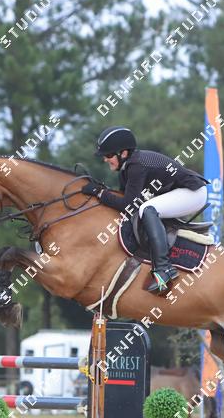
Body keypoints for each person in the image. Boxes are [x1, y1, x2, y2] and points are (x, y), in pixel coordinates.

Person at [82, 126, 208, 294]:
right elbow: (124, 204)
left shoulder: (136, 165)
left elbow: (128, 205)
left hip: (193, 192)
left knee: (147, 209)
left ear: (123, 153)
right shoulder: (126, 169)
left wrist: (100, 193)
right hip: (180, 191)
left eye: (109, 155)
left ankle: (164, 269)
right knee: (144, 209)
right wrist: (102, 192)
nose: (105, 159)